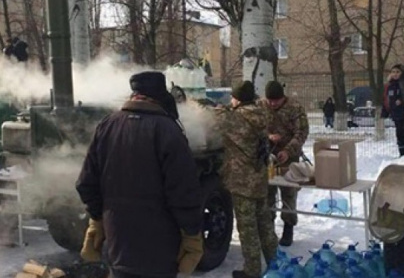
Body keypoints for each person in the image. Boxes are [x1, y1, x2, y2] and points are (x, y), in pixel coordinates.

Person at [75, 71, 204, 278]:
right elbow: (184, 192)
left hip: (117, 242)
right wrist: (191, 234)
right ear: (160, 97)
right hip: (160, 248)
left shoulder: (107, 126)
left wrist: (97, 220)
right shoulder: (169, 131)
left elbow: (86, 183)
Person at [215, 81, 278, 278]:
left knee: (248, 230)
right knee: (265, 225)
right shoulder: (261, 113)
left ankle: (252, 271)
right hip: (259, 179)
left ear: (238, 99)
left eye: (233, 97)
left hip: (243, 183)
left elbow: (214, 116)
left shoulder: (236, 118)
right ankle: (276, 264)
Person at [258, 80, 309, 247]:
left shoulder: (295, 108)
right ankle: (268, 228)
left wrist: (288, 151)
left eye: (276, 101)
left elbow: (301, 132)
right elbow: (254, 127)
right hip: (267, 155)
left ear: (283, 98)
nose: (272, 104)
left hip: (289, 156)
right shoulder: (261, 106)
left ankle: (288, 227)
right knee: (267, 193)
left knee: (288, 193)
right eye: (269, 101)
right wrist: (268, 136)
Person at [382, 64, 404, 157]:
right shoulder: (389, 86)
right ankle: (402, 154)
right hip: (396, 115)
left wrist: (402, 100)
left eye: (397, 72)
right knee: (399, 135)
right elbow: (386, 100)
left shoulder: (402, 83)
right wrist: (384, 112)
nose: (395, 74)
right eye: (393, 72)